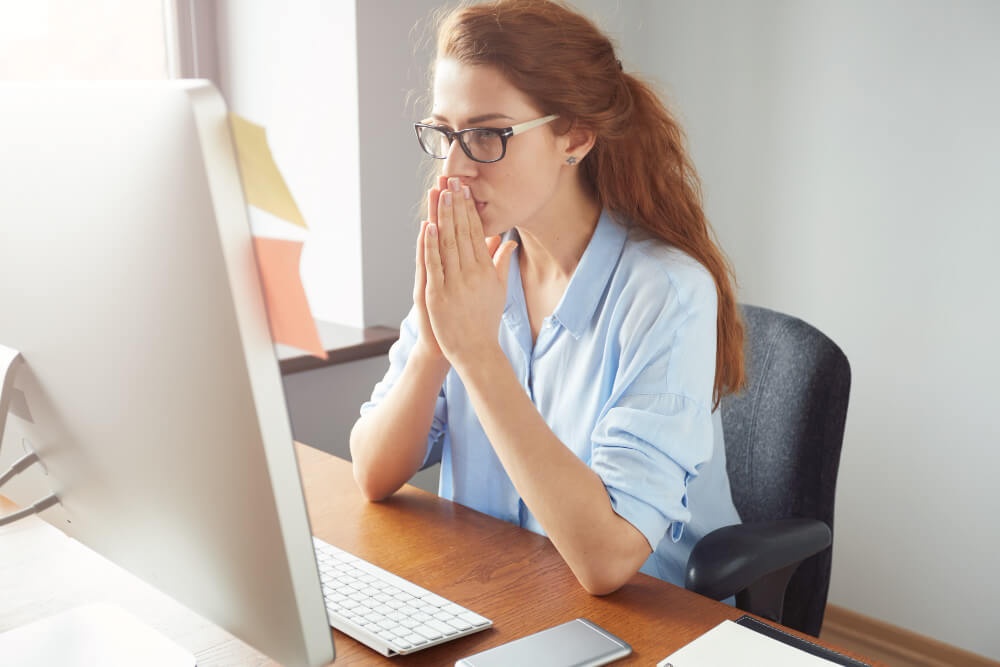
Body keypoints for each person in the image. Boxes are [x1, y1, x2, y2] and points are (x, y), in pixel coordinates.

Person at [350, 0, 746, 596]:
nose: (455, 167)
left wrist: (477, 354)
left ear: (576, 137)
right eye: (445, 133)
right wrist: (436, 342)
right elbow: (373, 472)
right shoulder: (474, 265)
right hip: (502, 593)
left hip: (648, 622)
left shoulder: (668, 293)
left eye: (487, 135)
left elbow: (609, 561)